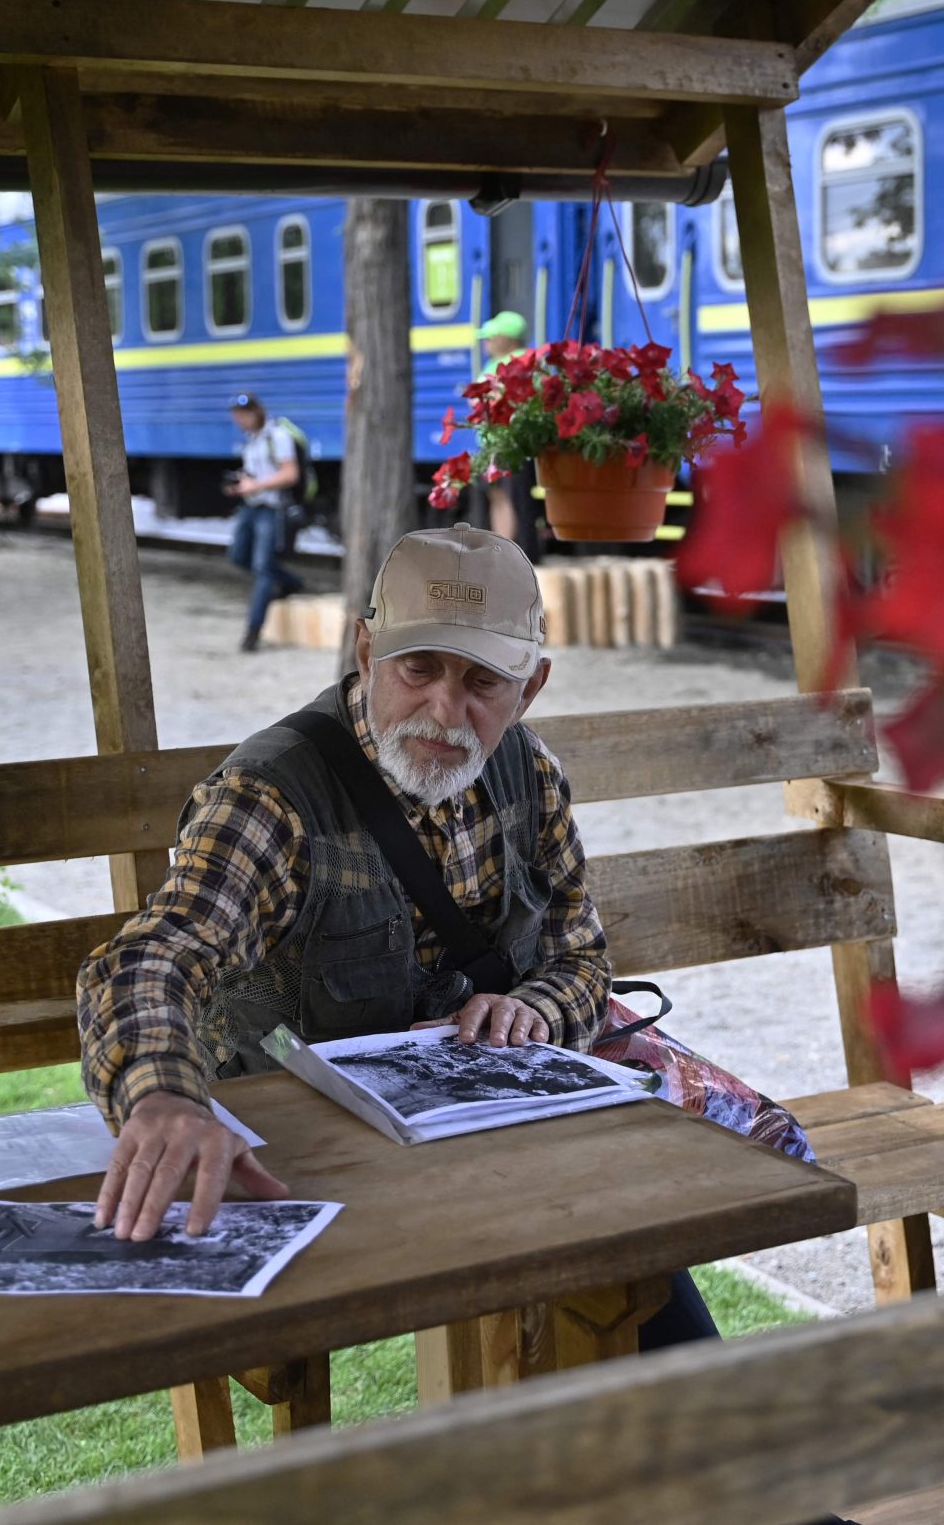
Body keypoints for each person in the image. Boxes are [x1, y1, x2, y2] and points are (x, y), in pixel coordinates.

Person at [73, 525, 716, 1351]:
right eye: (419, 668)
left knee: (644, 1281)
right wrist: (162, 1097)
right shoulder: (273, 798)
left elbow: (581, 958)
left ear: (531, 687)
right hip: (309, 1168)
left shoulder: (530, 774)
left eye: (482, 680)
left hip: (483, 1151)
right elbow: (151, 959)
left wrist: (536, 1011)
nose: (445, 711)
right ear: (366, 648)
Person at [225, 392, 304, 651]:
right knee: (237, 555)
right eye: (237, 416)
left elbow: (290, 474)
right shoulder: (253, 439)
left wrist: (256, 485)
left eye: (244, 415)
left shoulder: (277, 436)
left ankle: (252, 633)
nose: (240, 421)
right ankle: (292, 582)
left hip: (271, 508)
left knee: (263, 568)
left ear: (257, 411)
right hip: (251, 506)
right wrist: (240, 486)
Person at [472, 311, 543, 558]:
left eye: (492, 337)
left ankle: (514, 553)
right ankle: (502, 551)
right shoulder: (498, 362)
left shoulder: (520, 362)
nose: (486, 342)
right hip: (493, 442)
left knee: (512, 498)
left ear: (509, 339)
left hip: (509, 442)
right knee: (499, 495)